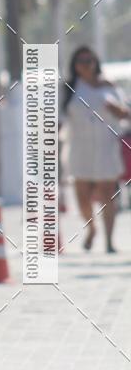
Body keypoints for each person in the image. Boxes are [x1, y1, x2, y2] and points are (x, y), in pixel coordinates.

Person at [61, 46, 129, 253]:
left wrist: (118, 111)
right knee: (82, 195)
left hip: (106, 145)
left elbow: (125, 113)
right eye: (81, 61)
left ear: (95, 62)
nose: (86, 65)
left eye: (89, 60)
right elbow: (58, 118)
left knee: (108, 193)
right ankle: (91, 228)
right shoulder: (69, 88)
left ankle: (109, 240)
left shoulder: (109, 86)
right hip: (79, 147)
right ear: (75, 65)